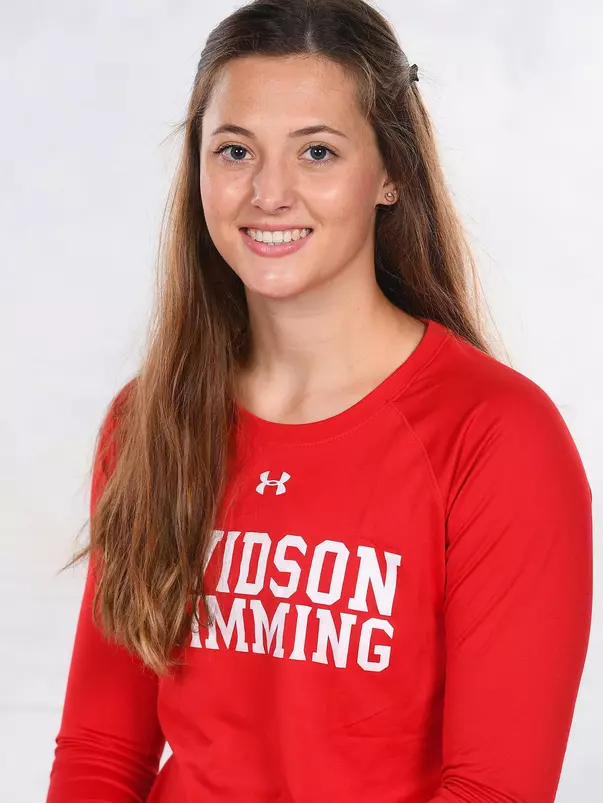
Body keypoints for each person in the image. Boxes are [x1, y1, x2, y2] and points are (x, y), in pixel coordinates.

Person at [46, 1, 593, 801]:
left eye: (316, 152)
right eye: (235, 150)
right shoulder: (149, 421)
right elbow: (101, 749)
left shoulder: (497, 437)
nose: (269, 192)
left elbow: (493, 788)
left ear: (390, 173)